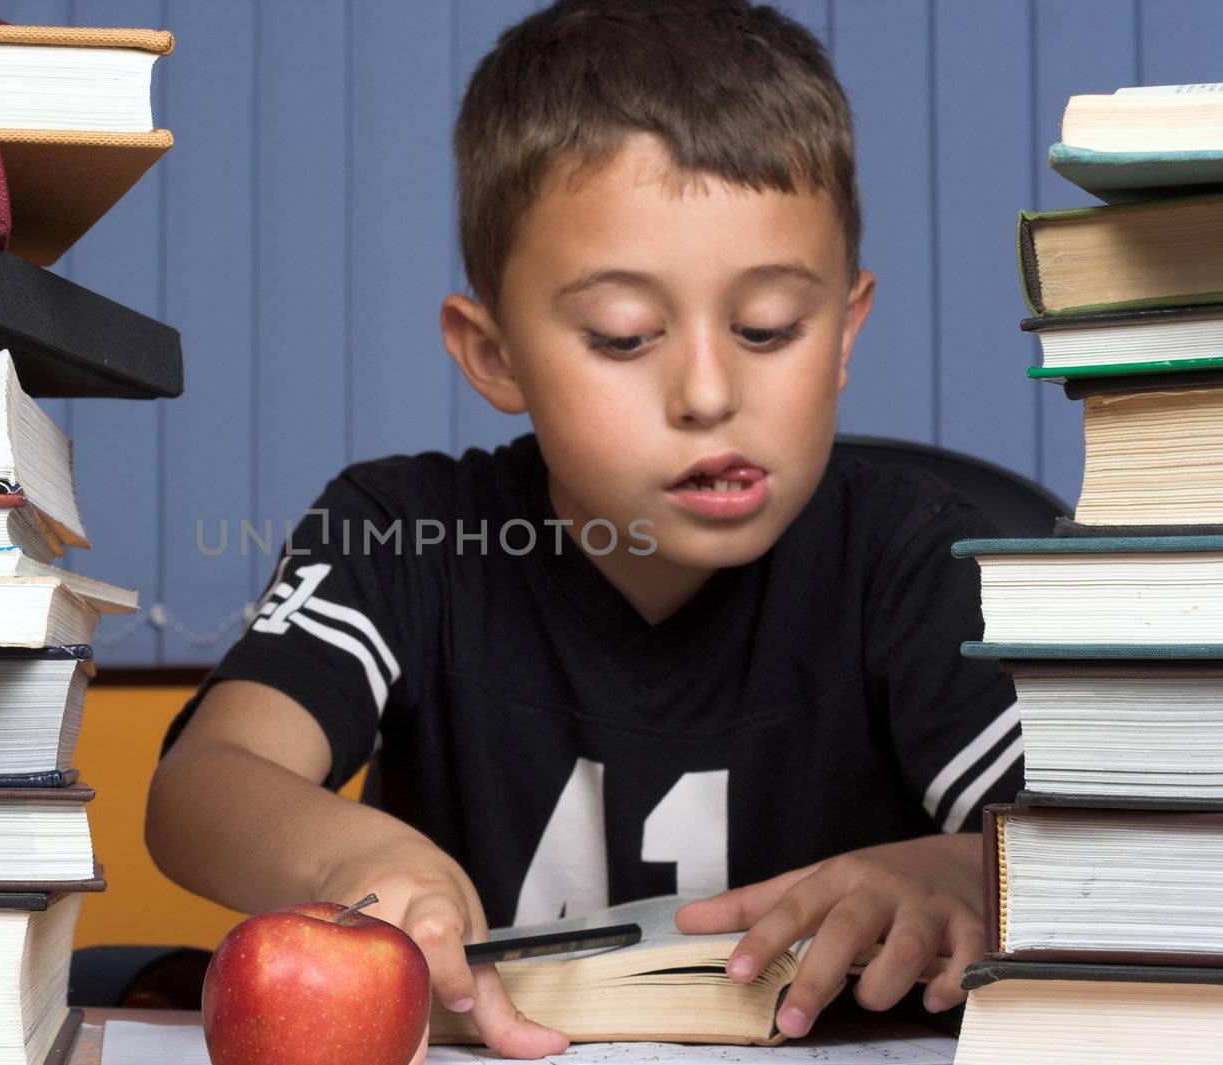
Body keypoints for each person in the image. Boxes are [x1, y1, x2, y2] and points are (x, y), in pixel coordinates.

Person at [147, 1, 1022, 1060]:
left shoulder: (913, 558)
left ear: (844, 330)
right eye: (623, 337)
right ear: (493, 353)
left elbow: (1124, 856)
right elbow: (204, 780)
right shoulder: (408, 534)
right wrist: (352, 862)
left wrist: (963, 870)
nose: (707, 391)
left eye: (769, 329)